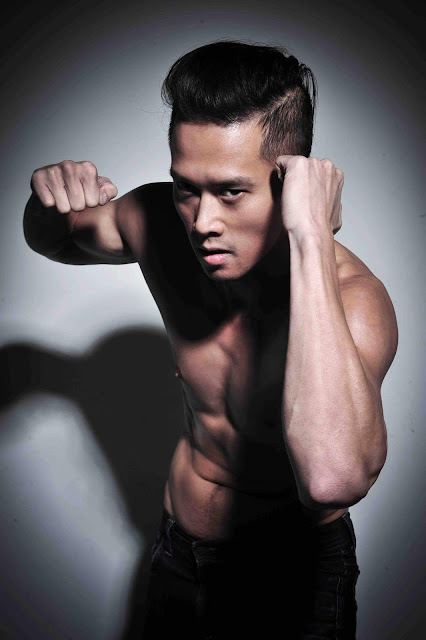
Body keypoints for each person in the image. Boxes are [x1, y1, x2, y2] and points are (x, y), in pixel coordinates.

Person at [23, 41, 398, 639]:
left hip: (291, 581)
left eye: (230, 192)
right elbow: (57, 239)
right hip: (178, 555)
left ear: (292, 183)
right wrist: (49, 199)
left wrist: (310, 238)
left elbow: (333, 479)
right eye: (186, 188)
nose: (202, 222)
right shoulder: (160, 223)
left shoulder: (353, 301)